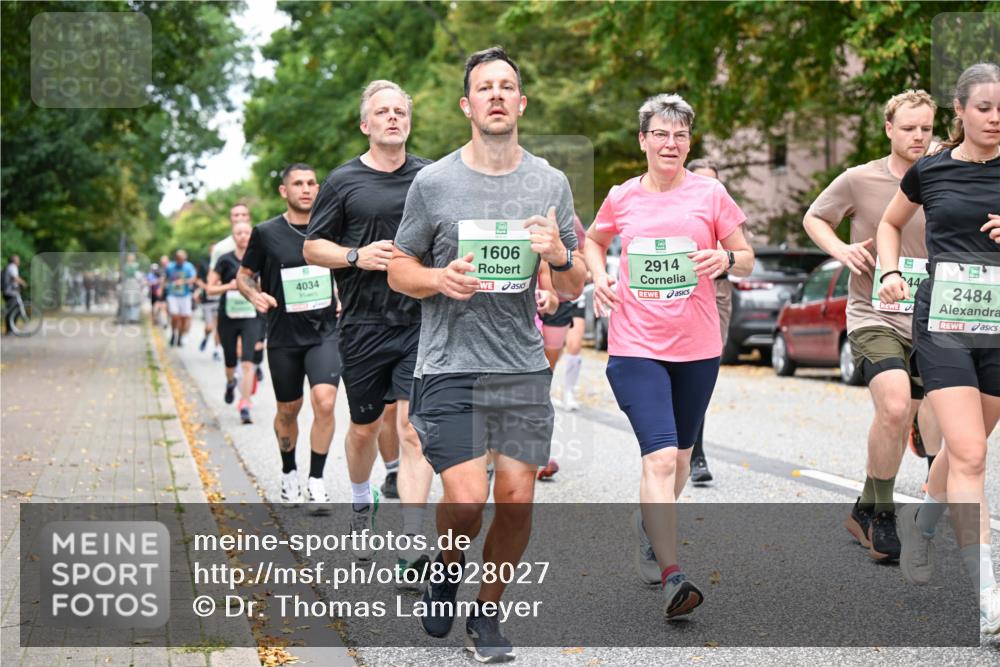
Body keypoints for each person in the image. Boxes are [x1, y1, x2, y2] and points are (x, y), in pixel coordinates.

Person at [388, 46, 585, 661]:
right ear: (466, 104)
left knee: (519, 498)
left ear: (521, 103)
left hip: (522, 363)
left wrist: (556, 254)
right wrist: (437, 280)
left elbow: (576, 283)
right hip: (450, 362)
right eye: (485, 87)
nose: (497, 95)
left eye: (507, 86)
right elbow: (399, 268)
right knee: (468, 498)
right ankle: (446, 568)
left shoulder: (549, 182)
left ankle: (488, 614)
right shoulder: (434, 181)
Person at [586, 93, 754, 618]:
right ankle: (672, 573)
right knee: (658, 457)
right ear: (643, 140)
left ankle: (648, 529)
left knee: (680, 460)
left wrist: (725, 257)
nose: (670, 143)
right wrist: (600, 278)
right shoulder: (623, 196)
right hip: (635, 345)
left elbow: (746, 259)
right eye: (660, 133)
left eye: (680, 135)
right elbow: (593, 241)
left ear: (689, 143)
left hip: (698, 348)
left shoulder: (711, 194)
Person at [876, 62, 1000, 635]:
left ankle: (924, 520)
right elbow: (889, 225)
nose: (996, 118)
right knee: (971, 454)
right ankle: (989, 599)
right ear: (960, 111)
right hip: (945, 322)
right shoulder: (930, 170)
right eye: (985, 108)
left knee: (962, 447)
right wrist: (887, 272)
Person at [804, 89, 942, 561]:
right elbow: (814, 218)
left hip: (934, 317)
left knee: (920, 418)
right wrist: (840, 250)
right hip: (873, 315)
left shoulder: (947, 174)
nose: (918, 136)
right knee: (895, 405)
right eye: (908, 128)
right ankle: (882, 518)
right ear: (889, 129)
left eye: (926, 127)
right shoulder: (859, 179)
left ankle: (864, 505)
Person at [304, 79, 435, 567]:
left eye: (400, 111)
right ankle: (361, 502)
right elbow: (313, 247)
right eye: (382, 112)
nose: (393, 118)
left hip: (419, 320)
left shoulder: (430, 176)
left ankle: (413, 540)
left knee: (412, 429)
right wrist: (357, 256)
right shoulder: (343, 182)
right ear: (366, 125)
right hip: (362, 323)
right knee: (363, 428)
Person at [239, 164, 340, 512]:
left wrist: (341, 294)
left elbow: (344, 267)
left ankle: (317, 479)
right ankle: (289, 473)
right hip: (283, 336)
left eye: (312, 182)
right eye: (298, 183)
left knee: (325, 402)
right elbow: (245, 276)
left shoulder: (330, 229)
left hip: (325, 332)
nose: (306, 189)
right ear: (285, 191)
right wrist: (255, 296)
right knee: (288, 409)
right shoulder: (266, 233)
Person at [684, 158, 733, 484]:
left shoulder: (726, 213)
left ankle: (696, 454)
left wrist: (725, 256)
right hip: (677, 296)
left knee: (701, 375)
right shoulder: (672, 208)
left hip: (715, 295)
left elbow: (744, 257)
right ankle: (674, 446)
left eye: (713, 183)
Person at [207, 221, 263, 424]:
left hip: (250, 316)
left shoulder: (258, 258)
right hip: (228, 317)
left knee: (248, 362)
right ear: (233, 236)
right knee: (230, 360)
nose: (243, 236)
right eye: (238, 233)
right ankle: (231, 382)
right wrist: (230, 286)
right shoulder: (224, 260)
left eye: (247, 232)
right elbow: (209, 289)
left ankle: (245, 404)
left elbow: (264, 288)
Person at [213, 203, 265, 381]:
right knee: (232, 354)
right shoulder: (221, 250)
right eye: (236, 215)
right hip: (229, 310)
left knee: (249, 353)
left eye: (243, 214)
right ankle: (233, 379)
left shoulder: (261, 246)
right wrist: (230, 286)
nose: (240, 218)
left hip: (252, 311)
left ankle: (246, 393)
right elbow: (211, 284)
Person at [165, 249, 197, 347]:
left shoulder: (189, 266)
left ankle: (180, 336)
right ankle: (173, 333)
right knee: (175, 316)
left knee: (184, 317)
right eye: (179, 259)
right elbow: (166, 278)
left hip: (185, 295)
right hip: (173, 295)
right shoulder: (170, 266)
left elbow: (193, 278)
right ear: (176, 259)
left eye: (183, 259)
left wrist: (183, 281)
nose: (181, 261)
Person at [197, 243, 222, 360]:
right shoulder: (203, 264)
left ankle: (216, 351)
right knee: (209, 327)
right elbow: (198, 280)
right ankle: (206, 337)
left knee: (219, 328)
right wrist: (206, 287)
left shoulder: (223, 262)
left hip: (220, 300)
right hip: (207, 300)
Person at [2, 254, 27, 333]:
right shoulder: (13, 267)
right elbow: (15, 278)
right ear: (14, 261)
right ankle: (10, 329)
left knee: (13, 310)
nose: (19, 261)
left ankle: (10, 329)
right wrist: (23, 283)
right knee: (13, 310)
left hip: (8, 292)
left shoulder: (9, 267)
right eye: (18, 259)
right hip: (10, 293)